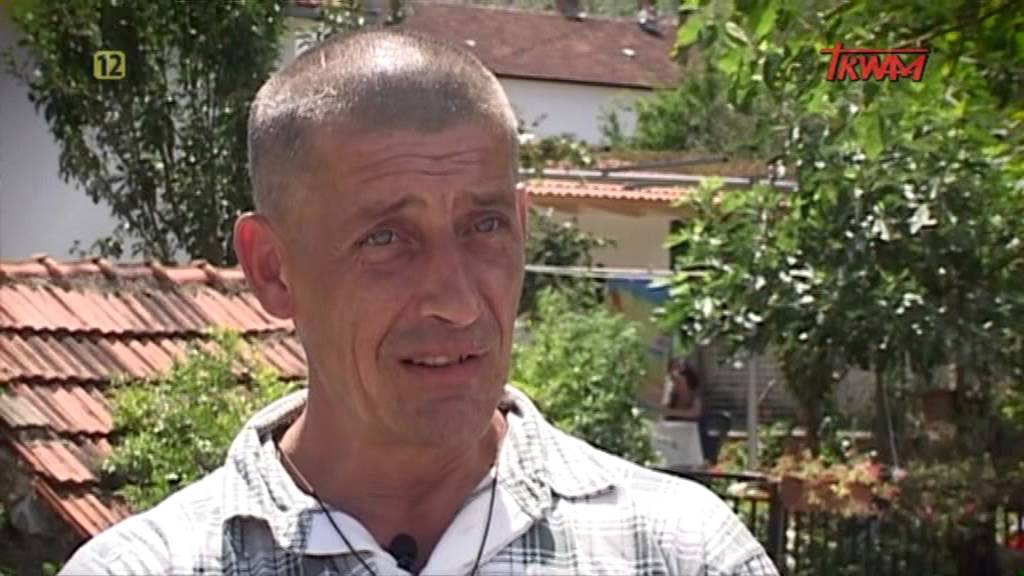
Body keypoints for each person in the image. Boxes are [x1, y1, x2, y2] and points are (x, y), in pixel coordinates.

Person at [61, 30, 778, 576]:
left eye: (484, 227)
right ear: (274, 270)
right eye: (385, 239)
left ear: (522, 228)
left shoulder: (681, 553)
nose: (457, 303)